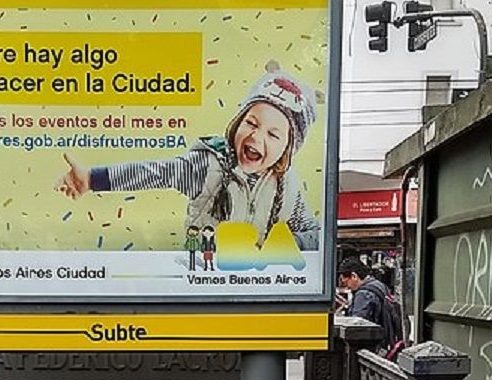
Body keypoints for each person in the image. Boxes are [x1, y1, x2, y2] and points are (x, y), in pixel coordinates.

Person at [58, 62, 321, 249]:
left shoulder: (288, 187)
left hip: (255, 289)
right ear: (237, 122)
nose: (256, 137)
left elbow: (315, 234)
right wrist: (92, 179)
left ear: (288, 147)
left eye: (273, 135)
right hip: (204, 279)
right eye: (251, 123)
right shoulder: (208, 166)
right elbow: (154, 173)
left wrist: (286, 246)